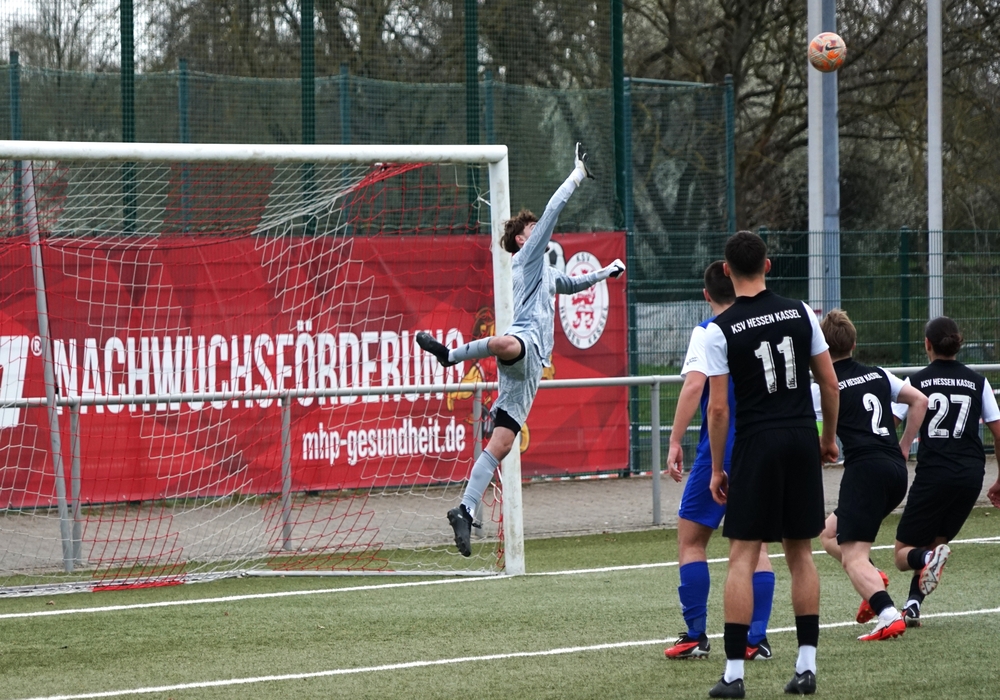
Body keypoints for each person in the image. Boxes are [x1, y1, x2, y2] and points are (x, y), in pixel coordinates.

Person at [417, 143, 626, 557]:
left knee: (501, 444)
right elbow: (552, 212)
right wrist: (577, 174)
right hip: (524, 344)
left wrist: (607, 271)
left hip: (531, 370)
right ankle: (449, 356)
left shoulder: (546, 271)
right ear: (521, 239)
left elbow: (572, 284)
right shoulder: (527, 259)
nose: (539, 232)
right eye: (531, 229)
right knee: (504, 342)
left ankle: (464, 509)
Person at [701, 231, 840, 699]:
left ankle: (734, 675)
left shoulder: (720, 329)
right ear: (768, 265)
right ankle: (806, 667)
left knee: (742, 555)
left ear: (726, 271)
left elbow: (718, 409)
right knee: (801, 553)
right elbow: (830, 384)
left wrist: (717, 468)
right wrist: (826, 439)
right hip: (800, 437)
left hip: (757, 443)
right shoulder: (801, 312)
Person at [664, 261, 775, 661]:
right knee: (756, 547)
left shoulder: (709, 331)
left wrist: (674, 440)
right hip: (763, 445)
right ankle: (756, 639)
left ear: (706, 294)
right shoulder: (764, 326)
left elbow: (696, 386)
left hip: (722, 448)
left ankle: (696, 635)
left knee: (692, 541)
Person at [815, 309, 928, 642]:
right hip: (895, 471)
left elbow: (817, 433)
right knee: (828, 532)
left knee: (852, 556)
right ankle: (873, 576)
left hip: (865, 471)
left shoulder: (824, 385)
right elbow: (920, 401)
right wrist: (904, 446)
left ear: (822, 347)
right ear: (854, 343)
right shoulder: (879, 374)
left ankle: (887, 613)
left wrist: (824, 444)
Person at [890, 316, 1000, 627]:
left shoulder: (917, 381)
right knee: (934, 542)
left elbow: (889, 424)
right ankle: (913, 604)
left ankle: (925, 562)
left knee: (902, 555)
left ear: (927, 344)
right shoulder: (978, 381)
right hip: (971, 475)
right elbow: (998, 432)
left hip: (934, 474)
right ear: (957, 343)